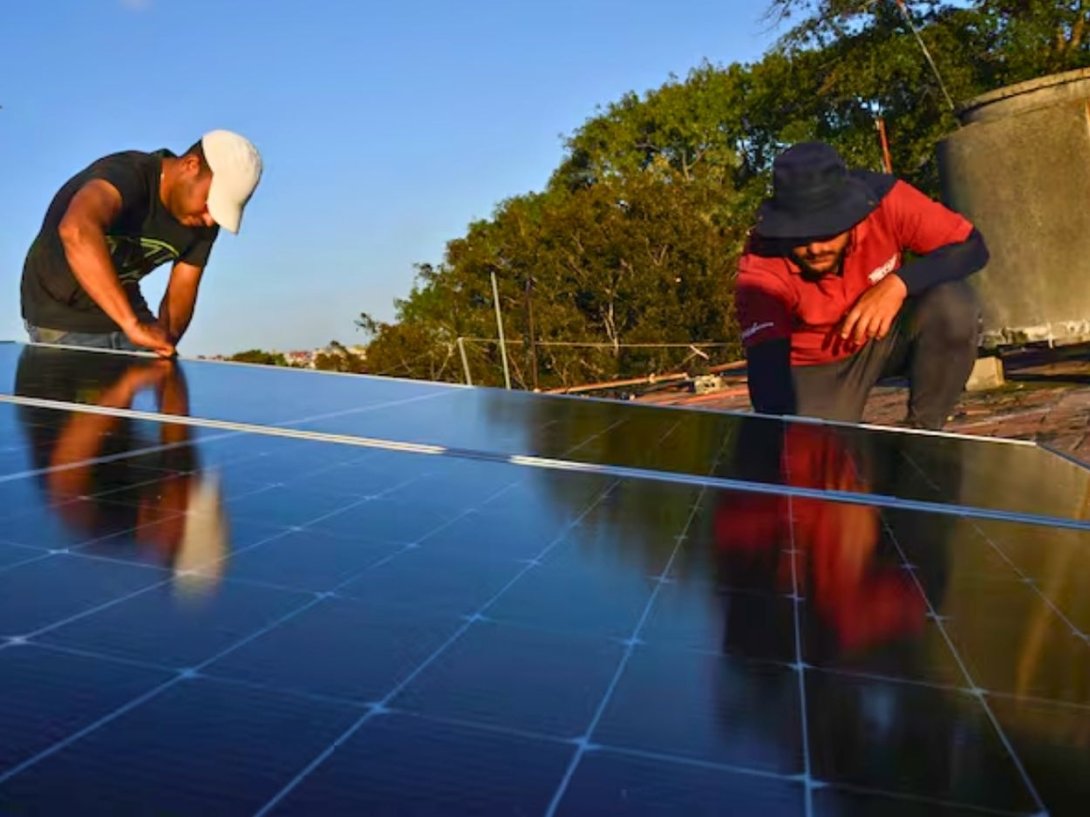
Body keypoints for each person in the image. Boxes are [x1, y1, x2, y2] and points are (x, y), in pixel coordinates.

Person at [735, 141, 989, 430]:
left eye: (828, 230)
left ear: (851, 215)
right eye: (801, 236)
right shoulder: (759, 269)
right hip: (815, 366)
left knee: (953, 303)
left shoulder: (888, 201)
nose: (816, 248)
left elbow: (973, 247)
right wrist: (785, 440)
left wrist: (899, 283)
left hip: (884, 339)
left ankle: (924, 432)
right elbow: (768, 377)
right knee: (817, 456)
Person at [20, 130, 263, 357]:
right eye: (211, 204)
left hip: (127, 310)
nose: (210, 220)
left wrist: (166, 341)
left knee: (151, 387)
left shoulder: (204, 220)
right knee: (73, 402)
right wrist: (132, 324)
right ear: (191, 165)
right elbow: (76, 230)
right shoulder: (126, 174)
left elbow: (183, 288)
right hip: (61, 314)